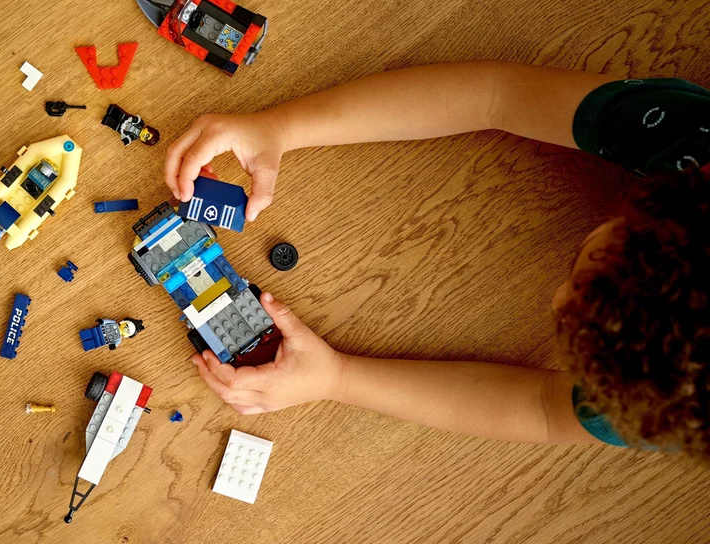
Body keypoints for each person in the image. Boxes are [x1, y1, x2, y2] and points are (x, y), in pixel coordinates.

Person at [164, 61, 710, 454]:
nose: (556, 297)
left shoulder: (671, 397)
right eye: (584, 275)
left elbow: (546, 409)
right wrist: (281, 127)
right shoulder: (688, 139)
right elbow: (495, 93)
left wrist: (338, 379)